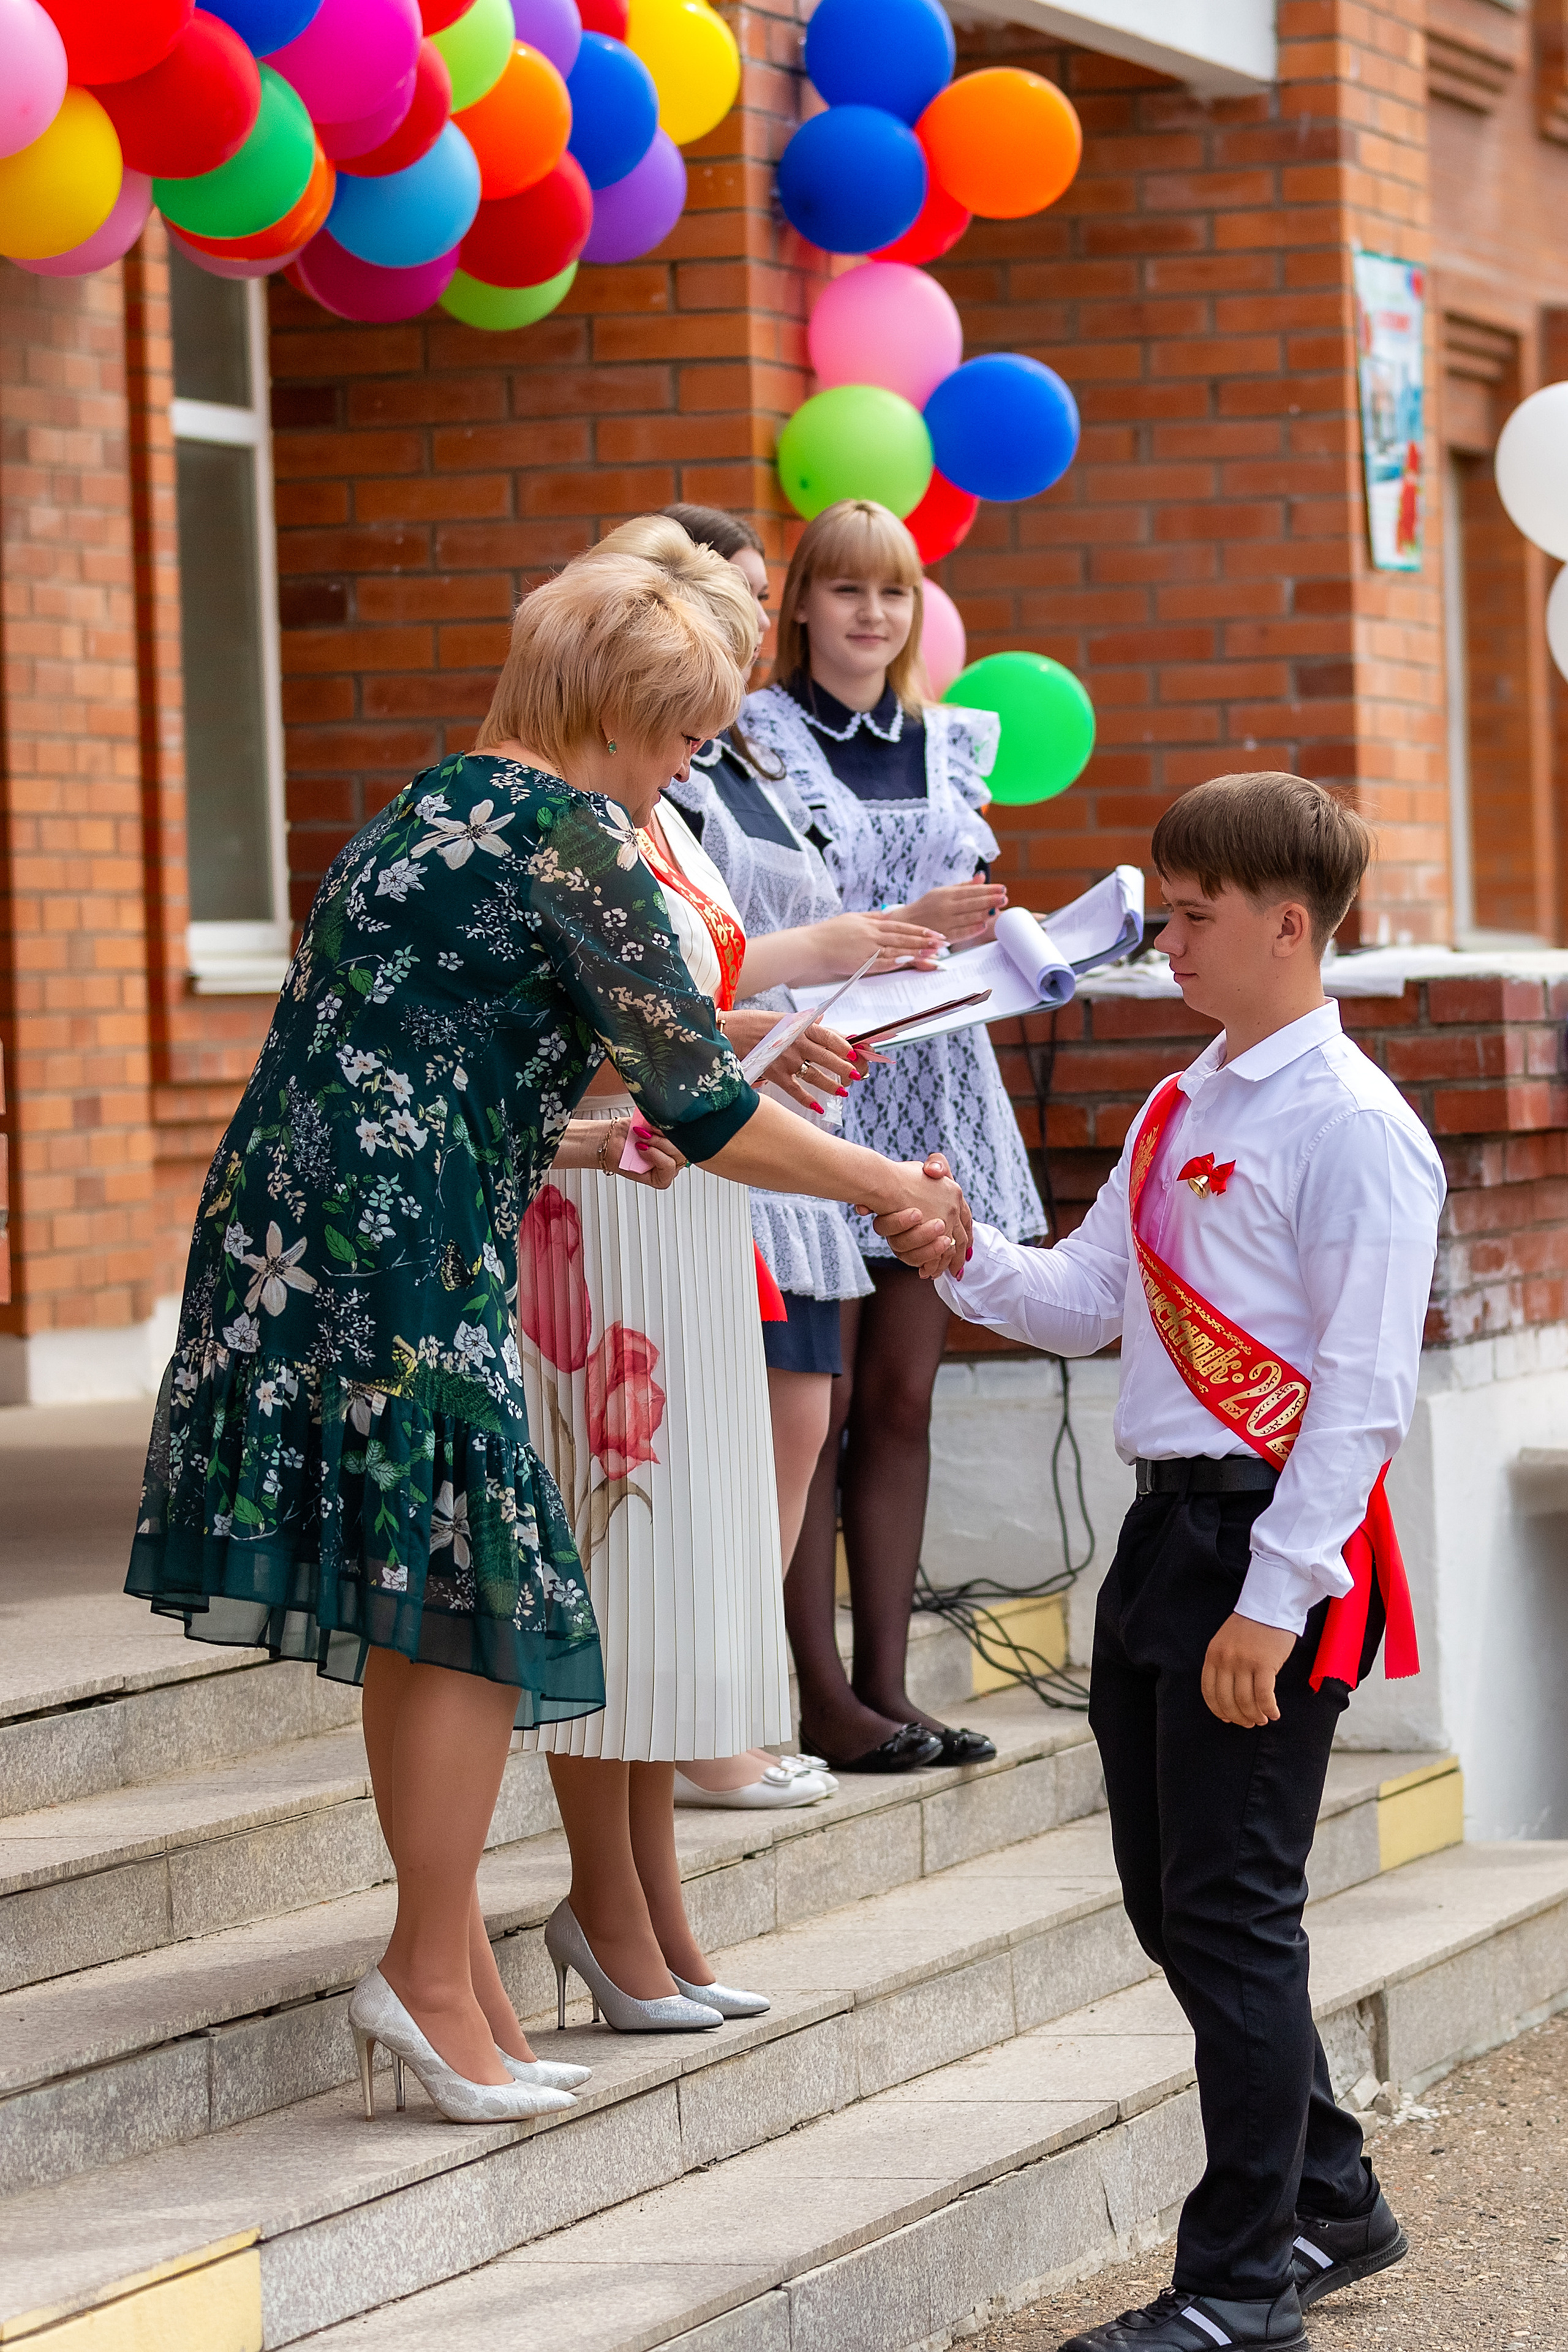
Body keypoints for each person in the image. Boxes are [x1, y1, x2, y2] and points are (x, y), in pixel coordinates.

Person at [126, 547, 971, 2122]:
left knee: (431, 1598)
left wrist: (569, 1145)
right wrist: (886, 1191)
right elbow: (708, 1104)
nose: (680, 773)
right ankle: (426, 1974)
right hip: (405, 1256)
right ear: (624, 717)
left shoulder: (425, 807)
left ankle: (450, 1969)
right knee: (464, 1598)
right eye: (679, 738)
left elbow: (413, 1052)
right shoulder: (581, 837)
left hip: (294, 1232)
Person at [915, 772, 1442, 2352]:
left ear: (1290, 926)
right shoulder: (1176, 1102)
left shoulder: (1355, 1129)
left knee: (1230, 1909)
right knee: (1173, 1905)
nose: (1165, 942)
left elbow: (1358, 1395)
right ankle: (1330, 2199)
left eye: (1192, 916)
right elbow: (1088, 1302)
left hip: (1262, 1537)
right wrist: (963, 1256)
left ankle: (1239, 2281)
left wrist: (1275, 1600)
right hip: (1162, 1530)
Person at [744, 499, 1047, 1773]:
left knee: (902, 1394)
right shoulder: (751, 743)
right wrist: (909, 910)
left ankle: (887, 1687)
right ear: (802, 604)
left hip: (938, 1083)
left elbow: (960, 914)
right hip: (821, 1080)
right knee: (812, 1402)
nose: (871, 614)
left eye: (893, 593)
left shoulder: (949, 743)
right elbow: (771, 908)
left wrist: (1013, 935)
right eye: (847, 590)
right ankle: (818, 1697)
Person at [660, 502, 949, 1809]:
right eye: (812, 594)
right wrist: (829, 952)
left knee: (820, 1411)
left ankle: (778, 1705)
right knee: (771, 1423)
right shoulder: (677, 767)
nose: (865, 617)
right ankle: (742, 1709)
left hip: (808, 1083)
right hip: (708, 1121)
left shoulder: (745, 766)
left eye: (743, 597)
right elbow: (675, 973)